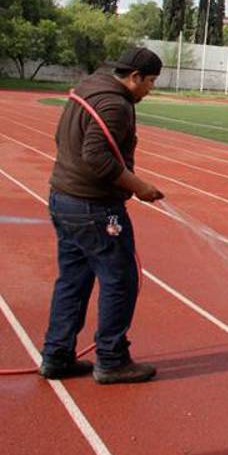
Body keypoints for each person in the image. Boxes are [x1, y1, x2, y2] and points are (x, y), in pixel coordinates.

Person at [39, 47, 165, 384]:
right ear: (135, 77)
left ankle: (57, 355)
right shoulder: (115, 105)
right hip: (95, 208)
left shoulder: (89, 88)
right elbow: (96, 156)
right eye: (150, 81)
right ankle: (112, 359)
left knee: (73, 280)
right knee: (120, 280)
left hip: (63, 199)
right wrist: (139, 186)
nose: (151, 89)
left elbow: (61, 137)